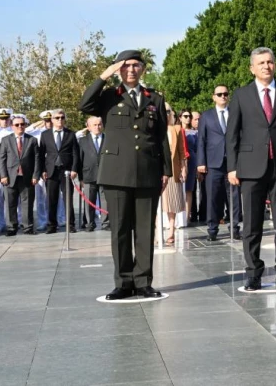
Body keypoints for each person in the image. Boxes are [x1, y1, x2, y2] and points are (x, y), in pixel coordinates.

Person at [80, 50, 172, 300]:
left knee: (145, 229)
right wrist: (104, 76)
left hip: (147, 171)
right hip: (116, 172)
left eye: (136, 65)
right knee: (120, 229)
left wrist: (166, 170)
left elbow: (161, 136)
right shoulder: (109, 96)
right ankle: (123, 282)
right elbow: (84, 104)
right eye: (125, 65)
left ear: (143, 69)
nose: (131, 70)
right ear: (118, 69)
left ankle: (143, 281)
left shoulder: (154, 98)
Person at [226, 47, 276, 291]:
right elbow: (232, 134)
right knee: (252, 224)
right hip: (251, 167)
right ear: (252, 68)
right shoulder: (241, 95)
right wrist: (232, 167)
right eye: (261, 63)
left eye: (270, 62)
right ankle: (253, 273)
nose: (266, 66)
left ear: (275, 65)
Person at [198, 85, 242, 240]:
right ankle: (212, 229)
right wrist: (201, 162)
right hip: (213, 163)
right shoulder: (206, 116)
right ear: (214, 97)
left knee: (234, 197)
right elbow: (201, 140)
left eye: (225, 94)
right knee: (213, 197)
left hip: (232, 163)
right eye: (219, 94)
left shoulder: (235, 114)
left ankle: (234, 228)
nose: (223, 96)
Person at [38, 109, 79, 233]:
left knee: (68, 199)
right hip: (51, 171)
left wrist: (74, 169)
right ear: (52, 120)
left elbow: (75, 154)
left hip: (66, 171)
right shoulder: (45, 135)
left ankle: (70, 224)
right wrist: (42, 170)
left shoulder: (70, 134)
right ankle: (51, 225)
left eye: (62, 117)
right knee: (51, 199)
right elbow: (41, 155)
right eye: (57, 118)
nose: (60, 120)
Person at [0, 116, 40, 235]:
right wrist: (3, 175)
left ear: (25, 125)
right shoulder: (6, 140)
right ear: (12, 126)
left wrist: (35, 175)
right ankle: (11, 228)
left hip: (27, 177)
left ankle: (27, 227)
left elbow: (37, 159)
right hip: (10, 177)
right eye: (17, 125)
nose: (20, 126)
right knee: (10, 203)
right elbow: (2, 159)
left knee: (27, 203)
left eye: (22, 124)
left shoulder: (32, 140)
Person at [160, 106, 187, 244]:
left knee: (172, 200)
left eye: (168, 111)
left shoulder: (176, 129)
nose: (166, 113)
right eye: (163, 111)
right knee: (156, 203)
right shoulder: (153, 128)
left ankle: (171, 230)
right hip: (156, 168)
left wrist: (183, 168)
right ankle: (156, 232)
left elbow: (182, 151)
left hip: (172, 168)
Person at [77, 116, 107, 231]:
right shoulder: (82, 141)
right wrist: (80, 177)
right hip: (88, 175)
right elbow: (79, 160)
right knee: (89, 201)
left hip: (104, 175)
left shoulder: (107, 139)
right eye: (94, 125)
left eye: (99, 124)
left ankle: (106, 223)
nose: (97, 127)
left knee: (105, 201)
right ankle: (89, 223)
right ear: (88, 127)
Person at [180, 108, 198, 225]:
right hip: (180, 162)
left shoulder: (194, 132)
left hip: (192, 162)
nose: (188, 118)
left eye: (189, 116)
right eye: (185, 116)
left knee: (189, 189)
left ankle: (187, 217)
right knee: (179, 189)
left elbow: (197, 149)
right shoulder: (176, 130)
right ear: (180, 117)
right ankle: (178, 217)